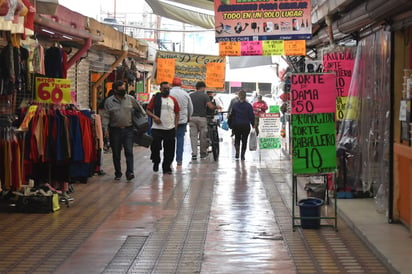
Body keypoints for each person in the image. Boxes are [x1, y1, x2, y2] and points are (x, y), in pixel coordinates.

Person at [102, 80, 141, 181]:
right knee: (116, 152)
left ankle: (130, 172)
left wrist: (140, 122)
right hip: (115, 130)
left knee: (129, 151)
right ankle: (118, 172)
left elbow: (140, 109)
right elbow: (105, 116)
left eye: (124, 89)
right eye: (121, 90)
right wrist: (105, 129)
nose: (123, 91)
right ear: (115, 90)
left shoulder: (130, 99)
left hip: (128, 129)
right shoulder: (109, 102)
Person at [146, 81, 180, 174]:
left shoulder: (173, 99)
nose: (167, 90)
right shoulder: (155, 99)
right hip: (157, 128)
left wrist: (175, 125)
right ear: (160, 89)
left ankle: (166, 167)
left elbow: (177, 113)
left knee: (169, 149)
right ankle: (156, 161)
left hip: (170, 128)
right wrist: (154, 117)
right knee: (155, 147)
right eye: (165, 89)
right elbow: (148, 110)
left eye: (168, 89)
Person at [189, 81, 216, 160]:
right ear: (203, 87)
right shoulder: (205, 96)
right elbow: (210, 106)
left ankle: (194, 153)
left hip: (192, 118)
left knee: (193, 136)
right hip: (202, 118)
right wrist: (216, 107)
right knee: (202, 136)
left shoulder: (191, 96)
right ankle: (203, 153)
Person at [170, 77, 193, 166]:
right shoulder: (185, 94)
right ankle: (179, 160)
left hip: (171, 121)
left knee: (170, 140)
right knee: (180, 139)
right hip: (182, 121)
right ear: (181, 85)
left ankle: (170, 159)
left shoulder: (169, 93)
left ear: (172, 84)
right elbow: (190, 108)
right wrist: (188, 117)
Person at [230, 90, 255, 160]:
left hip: (237, 124)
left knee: (237, 138)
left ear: (238, 96)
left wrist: (232, 125)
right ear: (245, 96)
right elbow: (251, 116)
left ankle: (237, 151)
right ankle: (242, 155)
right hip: (245, 125)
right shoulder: (249, 106)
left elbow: (233, 115)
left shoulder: (235, 105)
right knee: (244, 140)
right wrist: (253, 124)